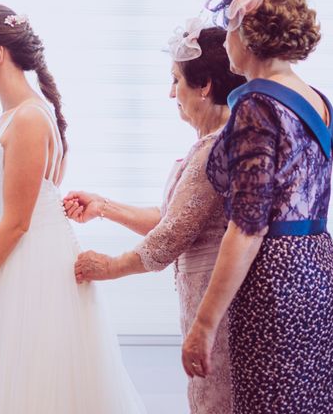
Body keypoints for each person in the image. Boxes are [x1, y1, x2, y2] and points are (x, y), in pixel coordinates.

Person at [0, 3, 146, 414]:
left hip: (26, 271)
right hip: (10, 263)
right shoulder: (17, 116)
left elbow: (18, 222)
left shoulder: (28, 119)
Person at [181, 0, 333, 413]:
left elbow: (247, 227)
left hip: (275, 285)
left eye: (230, 28)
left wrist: (203, 324)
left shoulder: (256, 106)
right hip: (322, 274)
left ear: (246, 34)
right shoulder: (318, 100)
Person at [64, 21, 246, 414]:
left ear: (204, 86)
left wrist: (108, 266)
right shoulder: (209, 147)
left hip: (219, 303)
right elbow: (173, 219)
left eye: (176, 80)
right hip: (201, 297)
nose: (170, 93)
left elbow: (170, 239)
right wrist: (104, 207)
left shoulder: (216, 151)